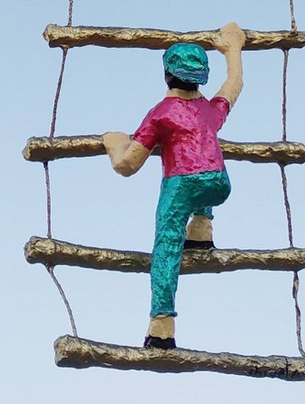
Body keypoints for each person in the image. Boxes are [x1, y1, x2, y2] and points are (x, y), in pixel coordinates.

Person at [103, 22, 246, 349]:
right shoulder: (209, 110)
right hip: (220, 184)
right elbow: (234, 84)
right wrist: (233, 47)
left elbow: (128, 165)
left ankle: (161, 327)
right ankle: (201, 230)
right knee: (204, 178)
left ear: (167, 75)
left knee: (166, 247)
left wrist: (114, 144)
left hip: (182, 185)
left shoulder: (162, 114)